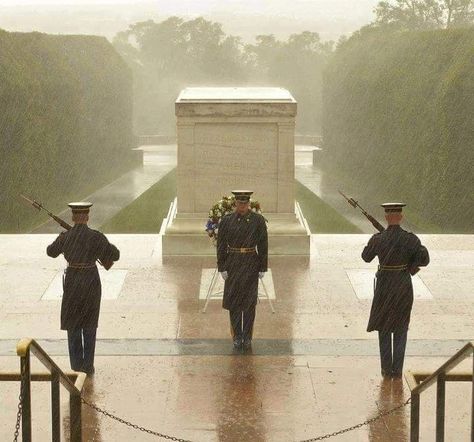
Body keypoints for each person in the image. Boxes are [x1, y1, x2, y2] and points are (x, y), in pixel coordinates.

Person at [46, 202, 120, 374]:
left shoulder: (66, 237)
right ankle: (88, 365)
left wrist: (63, 238)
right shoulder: (96, 237)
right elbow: (115, 255)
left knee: (73, 324)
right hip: (91, 282)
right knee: (89, 324)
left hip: (72, 283)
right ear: (87, 217)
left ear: (72, 217)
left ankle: (76, 365)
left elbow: (51, 252)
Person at [362, 202, 429, 378]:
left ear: (386, 217)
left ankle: (386, 369)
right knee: (400, 328)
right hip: (402, 285)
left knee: (384, 328)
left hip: (385, 286)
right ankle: (397, 371)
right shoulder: (410, 239)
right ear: (400, 217)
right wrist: (410, 266)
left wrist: (375, 241)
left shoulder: (379, 238)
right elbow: (425, 258)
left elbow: (366, 257)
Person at [217, 190, 268, 350]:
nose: (242, 206)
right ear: (235, 204)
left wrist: (262, 266)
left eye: (245, 203)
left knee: (249, 303)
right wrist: (222, 267)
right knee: (234, 303)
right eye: (240, 203)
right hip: (233, 263)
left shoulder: (257, 221)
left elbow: (263, 245)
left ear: (249, 204)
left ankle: (247, 336)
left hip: (250, 263)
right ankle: (237, 335)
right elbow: (221, 246)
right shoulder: (226, 221)